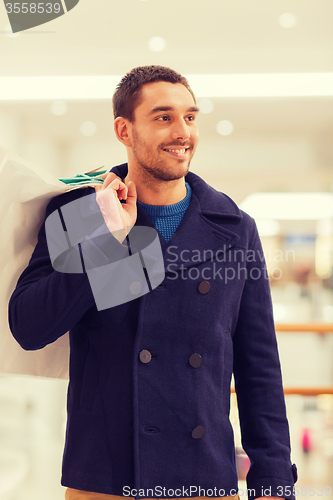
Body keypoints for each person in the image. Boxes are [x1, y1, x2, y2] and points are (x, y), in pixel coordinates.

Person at [8, 66, 297, 500]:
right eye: (164, 117)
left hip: (203, 477)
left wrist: (273, 483)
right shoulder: (83, 214)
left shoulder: (234, 228)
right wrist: (108, 238)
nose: (183, 131)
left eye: (190, 117)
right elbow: (30, 327)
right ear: (125, 130)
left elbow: (259, 368)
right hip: (104, 477)